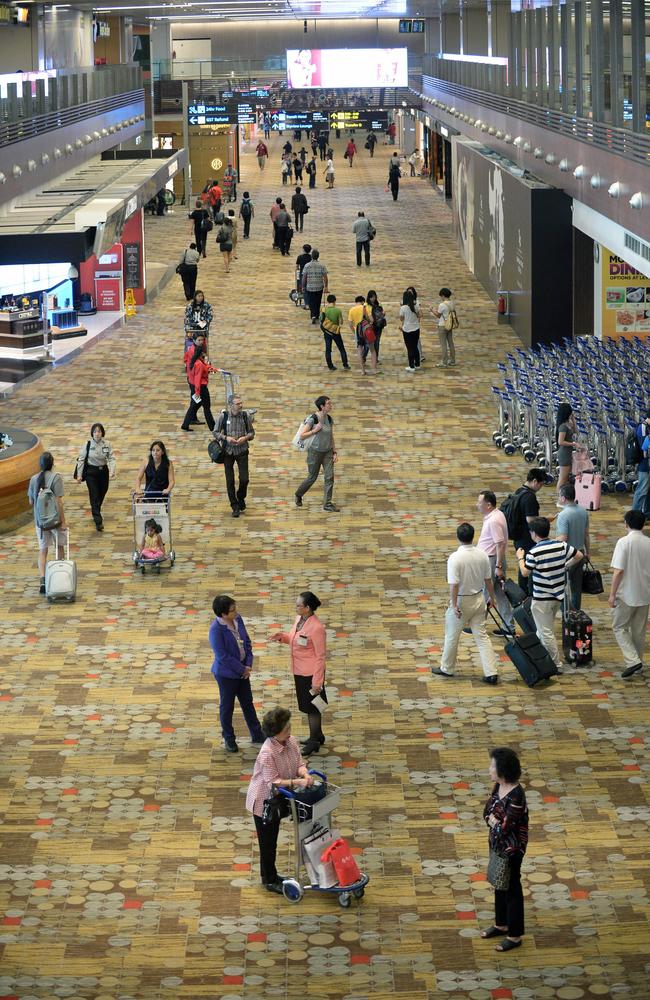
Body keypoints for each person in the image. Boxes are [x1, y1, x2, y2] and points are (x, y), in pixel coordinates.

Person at [245, 706, 314, 893]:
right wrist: (297, 781)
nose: (289, 730)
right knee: (268, 842)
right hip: (264, 801)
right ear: (275, 733)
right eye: (286, 729)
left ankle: (271, 875)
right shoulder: (267, 752)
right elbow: (273, 782)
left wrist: (305, 774)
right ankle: (269, 879)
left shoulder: (291, 741)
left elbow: (299, 763)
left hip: (281, 797)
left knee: (272, 837)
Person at [431, 522, 499, 683]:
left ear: (458, 537)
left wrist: (454, 605)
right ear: (472, 536)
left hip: (462, 601)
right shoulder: (482, 554)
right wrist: (491, 598)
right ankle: (491, 672)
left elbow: (454, 585)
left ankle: (447, 668)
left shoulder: (455, 558)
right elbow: (488, 580)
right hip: (479, 598)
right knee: (482, 637)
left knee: (452, 636)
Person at [517, 516, 584, 672]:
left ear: (534, 533)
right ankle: (541, 657)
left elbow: (525, 572)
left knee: (546, 632)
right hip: (557, 596)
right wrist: (566, 566)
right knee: (544, 628)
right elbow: (579, 556)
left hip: (542, 598)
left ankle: (555, 664)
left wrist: (520, 557)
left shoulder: (534, 552)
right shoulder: (561, 546)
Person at [481, 747, 528, 953]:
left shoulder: (516, 795)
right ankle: (501, 924)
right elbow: (486, 813)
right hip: (497, 845)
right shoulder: (498, 787)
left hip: (512, 849)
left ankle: (515, 935)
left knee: (512, 889)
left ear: (503, 769)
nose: (490, 768)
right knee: (500, 883)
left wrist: (494, 822)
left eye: (493, 765)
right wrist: (493, 822)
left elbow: (505, 827)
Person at [269, 592, 327, 754]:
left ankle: (314, 741)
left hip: (311, 674)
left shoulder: (317, 628)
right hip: (299, 670)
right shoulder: (299, 620)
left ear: (307, 608)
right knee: (309, 705)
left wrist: (317, 682)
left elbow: (320, 657)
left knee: (312, 708)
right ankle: (318, 734)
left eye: (298, 605)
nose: (296, 607)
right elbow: (295, 639)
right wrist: (282, 637)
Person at [210, 595, 264, 752]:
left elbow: (246, 641)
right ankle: (229, 738)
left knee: (248, 703)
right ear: (223, 614)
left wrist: (248, 663)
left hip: (242, 671)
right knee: (227, 707)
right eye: (232, 610)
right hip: (227, 675)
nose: (236, 612)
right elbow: (222, 656)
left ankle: (257, 734)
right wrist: (242, 669)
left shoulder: (238, 619)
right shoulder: (216, 630)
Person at [608, 509, 650, 679]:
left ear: (626, 524)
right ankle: (638, 662)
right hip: (645, 592)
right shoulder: (648, 542)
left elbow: (618, 571)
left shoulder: (623, 543)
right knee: (639, 631)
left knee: (619, 627)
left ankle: (632, 661)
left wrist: (612, 594)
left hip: (626, 593)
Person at [27, 451, 67, 595]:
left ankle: (43, 580)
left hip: (40, 522)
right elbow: (58, 502)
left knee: (43, 551)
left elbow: (31, 502)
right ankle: (59, 576)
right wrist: (63, 521)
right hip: (55, 521)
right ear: (53, 464)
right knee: (59, 547)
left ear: (40, 465)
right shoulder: (56, 478)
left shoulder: (33, 479)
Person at [476, 490, 515, 635]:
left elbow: (500, 544)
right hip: (493, 560)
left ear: (488, 504)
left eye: (479, 502)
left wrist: (498, 566)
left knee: (486, 592)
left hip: (492, 561)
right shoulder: (497, 514)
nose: (477, 505)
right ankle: (508, 626)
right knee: (499, 594)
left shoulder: (493, 520)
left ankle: (478, 625)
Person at [294, 395, 339, 512]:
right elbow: (302, 435)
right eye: (328, 403)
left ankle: (327, 504)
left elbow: (331, 436)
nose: (331, 405)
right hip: (315, 452)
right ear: (322, 406)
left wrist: (334, 451)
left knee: (329, 477)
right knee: (312, 477)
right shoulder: (313, 419)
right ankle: (299, 494)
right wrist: (314, 430)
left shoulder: (329, 419)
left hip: (328, 452)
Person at [507, 469, 548, 594]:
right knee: (526, 567)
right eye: (540, 484)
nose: (540, 487)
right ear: (535, 481)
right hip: (527, 538)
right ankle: (526, 594)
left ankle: (524, 593)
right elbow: (531, 520)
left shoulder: (519, 491)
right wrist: (544, 522)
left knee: (523, 563)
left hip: (517, 536)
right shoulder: (529, 497)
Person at [214, 395, 255, 518]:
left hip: (242, 450)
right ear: (231, 405)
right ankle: (235, 506)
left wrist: (245, 438)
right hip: (228, 452)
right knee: (230, 481)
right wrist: (226, 438)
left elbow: (252, 433)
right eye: (238, 404)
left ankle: (241, 497)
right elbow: (215, 432)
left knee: (244, 479)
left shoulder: (245, 416)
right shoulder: (223, 416)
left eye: (241, 403)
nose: (241, 405)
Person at [75, 423, 116, 532]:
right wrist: (79, 475)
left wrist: (112, 471)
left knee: (102, 492)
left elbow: (111, 458)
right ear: (92, 433)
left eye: (99, 431)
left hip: (103, 472)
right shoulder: (87, 444)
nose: (97, 434)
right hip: (91, 473)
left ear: (102, 433)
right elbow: (81, 459)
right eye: (95, 432)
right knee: (94, 494)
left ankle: (95, 508)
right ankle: (98, 521)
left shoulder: (107, 444)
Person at [556, 483, 590, 610]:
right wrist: (588, 552)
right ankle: (576, 613)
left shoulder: (564, 515)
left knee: (558, 587)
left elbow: (563, 538)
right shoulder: (583, 511)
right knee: (576, 588)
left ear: (563, 498)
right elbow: (586, 535)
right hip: (580, 553)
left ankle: (566, 612)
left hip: (567, 556)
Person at [181, 344, 217, 431]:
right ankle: (213, 427)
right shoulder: (199, 364)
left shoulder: (196, 361)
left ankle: (185, 424)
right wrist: (197, 392)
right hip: (201, 389)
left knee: (194, 405)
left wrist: (211, 368)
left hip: (198, 388)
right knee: (206, 407)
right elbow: (198, 379)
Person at [320, 293, 350, 371]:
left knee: (328, 349)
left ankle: (330, 366)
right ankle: (345, 364)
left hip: (327, 332)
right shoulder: (338, 310)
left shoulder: (324, 309)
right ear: (334, 301)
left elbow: (321, 320)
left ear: (327, 301)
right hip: (335, 332)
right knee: (341, 348)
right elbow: (341, 322)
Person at [348, 295, 377, 376]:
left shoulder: (351, 310)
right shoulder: (366, 308)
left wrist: (354, 332)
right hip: (367, 331)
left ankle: (363, 371)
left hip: (358, 332)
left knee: (359, 351)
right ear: (363, 301)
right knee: (373, 350)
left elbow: (350, 324)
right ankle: (374, 369)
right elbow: (372, 320)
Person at [555, 402, 578, 498]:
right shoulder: (563, 426)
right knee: (563, 479)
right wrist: (573, 444)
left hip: (567, 453)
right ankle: (559, 497)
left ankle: (561, 497)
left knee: (565, 478)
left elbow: (576, 430)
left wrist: (573, 418)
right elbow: (560, 441)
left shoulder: (567, 424)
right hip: (564, 454)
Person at [430, 287, 457, 368]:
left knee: (443, 344)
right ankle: (453, 360)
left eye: (441, 296)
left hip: (442, 325)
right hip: (450, 325)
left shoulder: (442, 305)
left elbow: (438, 315)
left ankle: (444, 362)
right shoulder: (452, 303)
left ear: (443, 295)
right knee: (451, 343)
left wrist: (432, 310)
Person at [301, 249, 328, 325]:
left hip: (310, 287)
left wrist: (303, 286)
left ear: (311, 256)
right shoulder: (322, 265)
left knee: (311, 301)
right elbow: (325, 277)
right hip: (319, 286)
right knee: (318, 301)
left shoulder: (307, 265)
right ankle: (317, 315)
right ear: (318, 256)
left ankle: (313, 315)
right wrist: (326, 286)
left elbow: (304, 277)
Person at [631, 410, 650, 515]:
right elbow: (645, 447)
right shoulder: (642, 427)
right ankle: (634, 516)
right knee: (642, 490)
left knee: (648, 492)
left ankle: (647, 514)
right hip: (644, 464)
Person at [399, 287, 421, 372]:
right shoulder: (416, 305)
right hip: (416, 328)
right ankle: (417, 364)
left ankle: (411, 366)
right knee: (415, 346)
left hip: (407, 330)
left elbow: (401, 318)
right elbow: (420, 315)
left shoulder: (403, 308)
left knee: (409, 348)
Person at [366, 290, 386, 362]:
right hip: (371, 327)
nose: (373, 299)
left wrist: (383, 314)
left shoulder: (378, 304)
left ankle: (375, 358)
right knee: (369, 342)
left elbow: (383, 313)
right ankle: (365, 357)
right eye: (372, 297)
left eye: (374, 297)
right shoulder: (366, 305)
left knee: (376, 342)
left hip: (378, 326)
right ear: (369, 297)